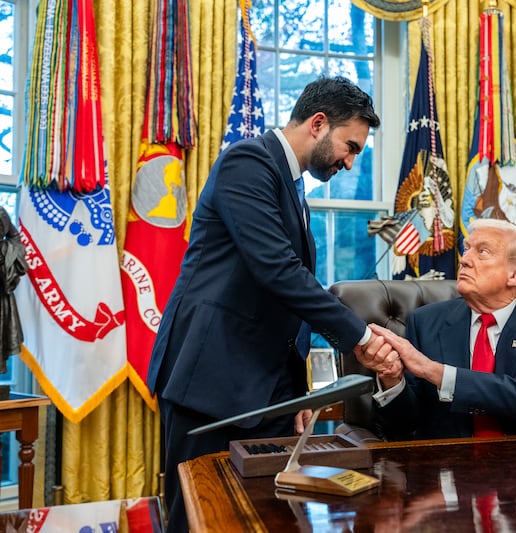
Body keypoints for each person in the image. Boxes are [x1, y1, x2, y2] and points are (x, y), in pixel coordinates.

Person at [147, 76, 395, 533]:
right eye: (351, 146)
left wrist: (294, 391)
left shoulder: (294, 187)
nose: (351, 161)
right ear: (318, 124)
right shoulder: (247, 162)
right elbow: (278, 271)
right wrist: (359, 337)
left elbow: (286, 304)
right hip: (210, 384)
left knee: (264, 518)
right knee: (199, 517)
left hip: (266, 392)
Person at [357, 218, 516, 439]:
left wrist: (433, 370)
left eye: (482, 252)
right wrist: (393, 379)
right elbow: (405, 424)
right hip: (445, 466)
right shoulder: (425, 322)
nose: (464, 260)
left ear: (514, 275)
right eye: (466, 249)